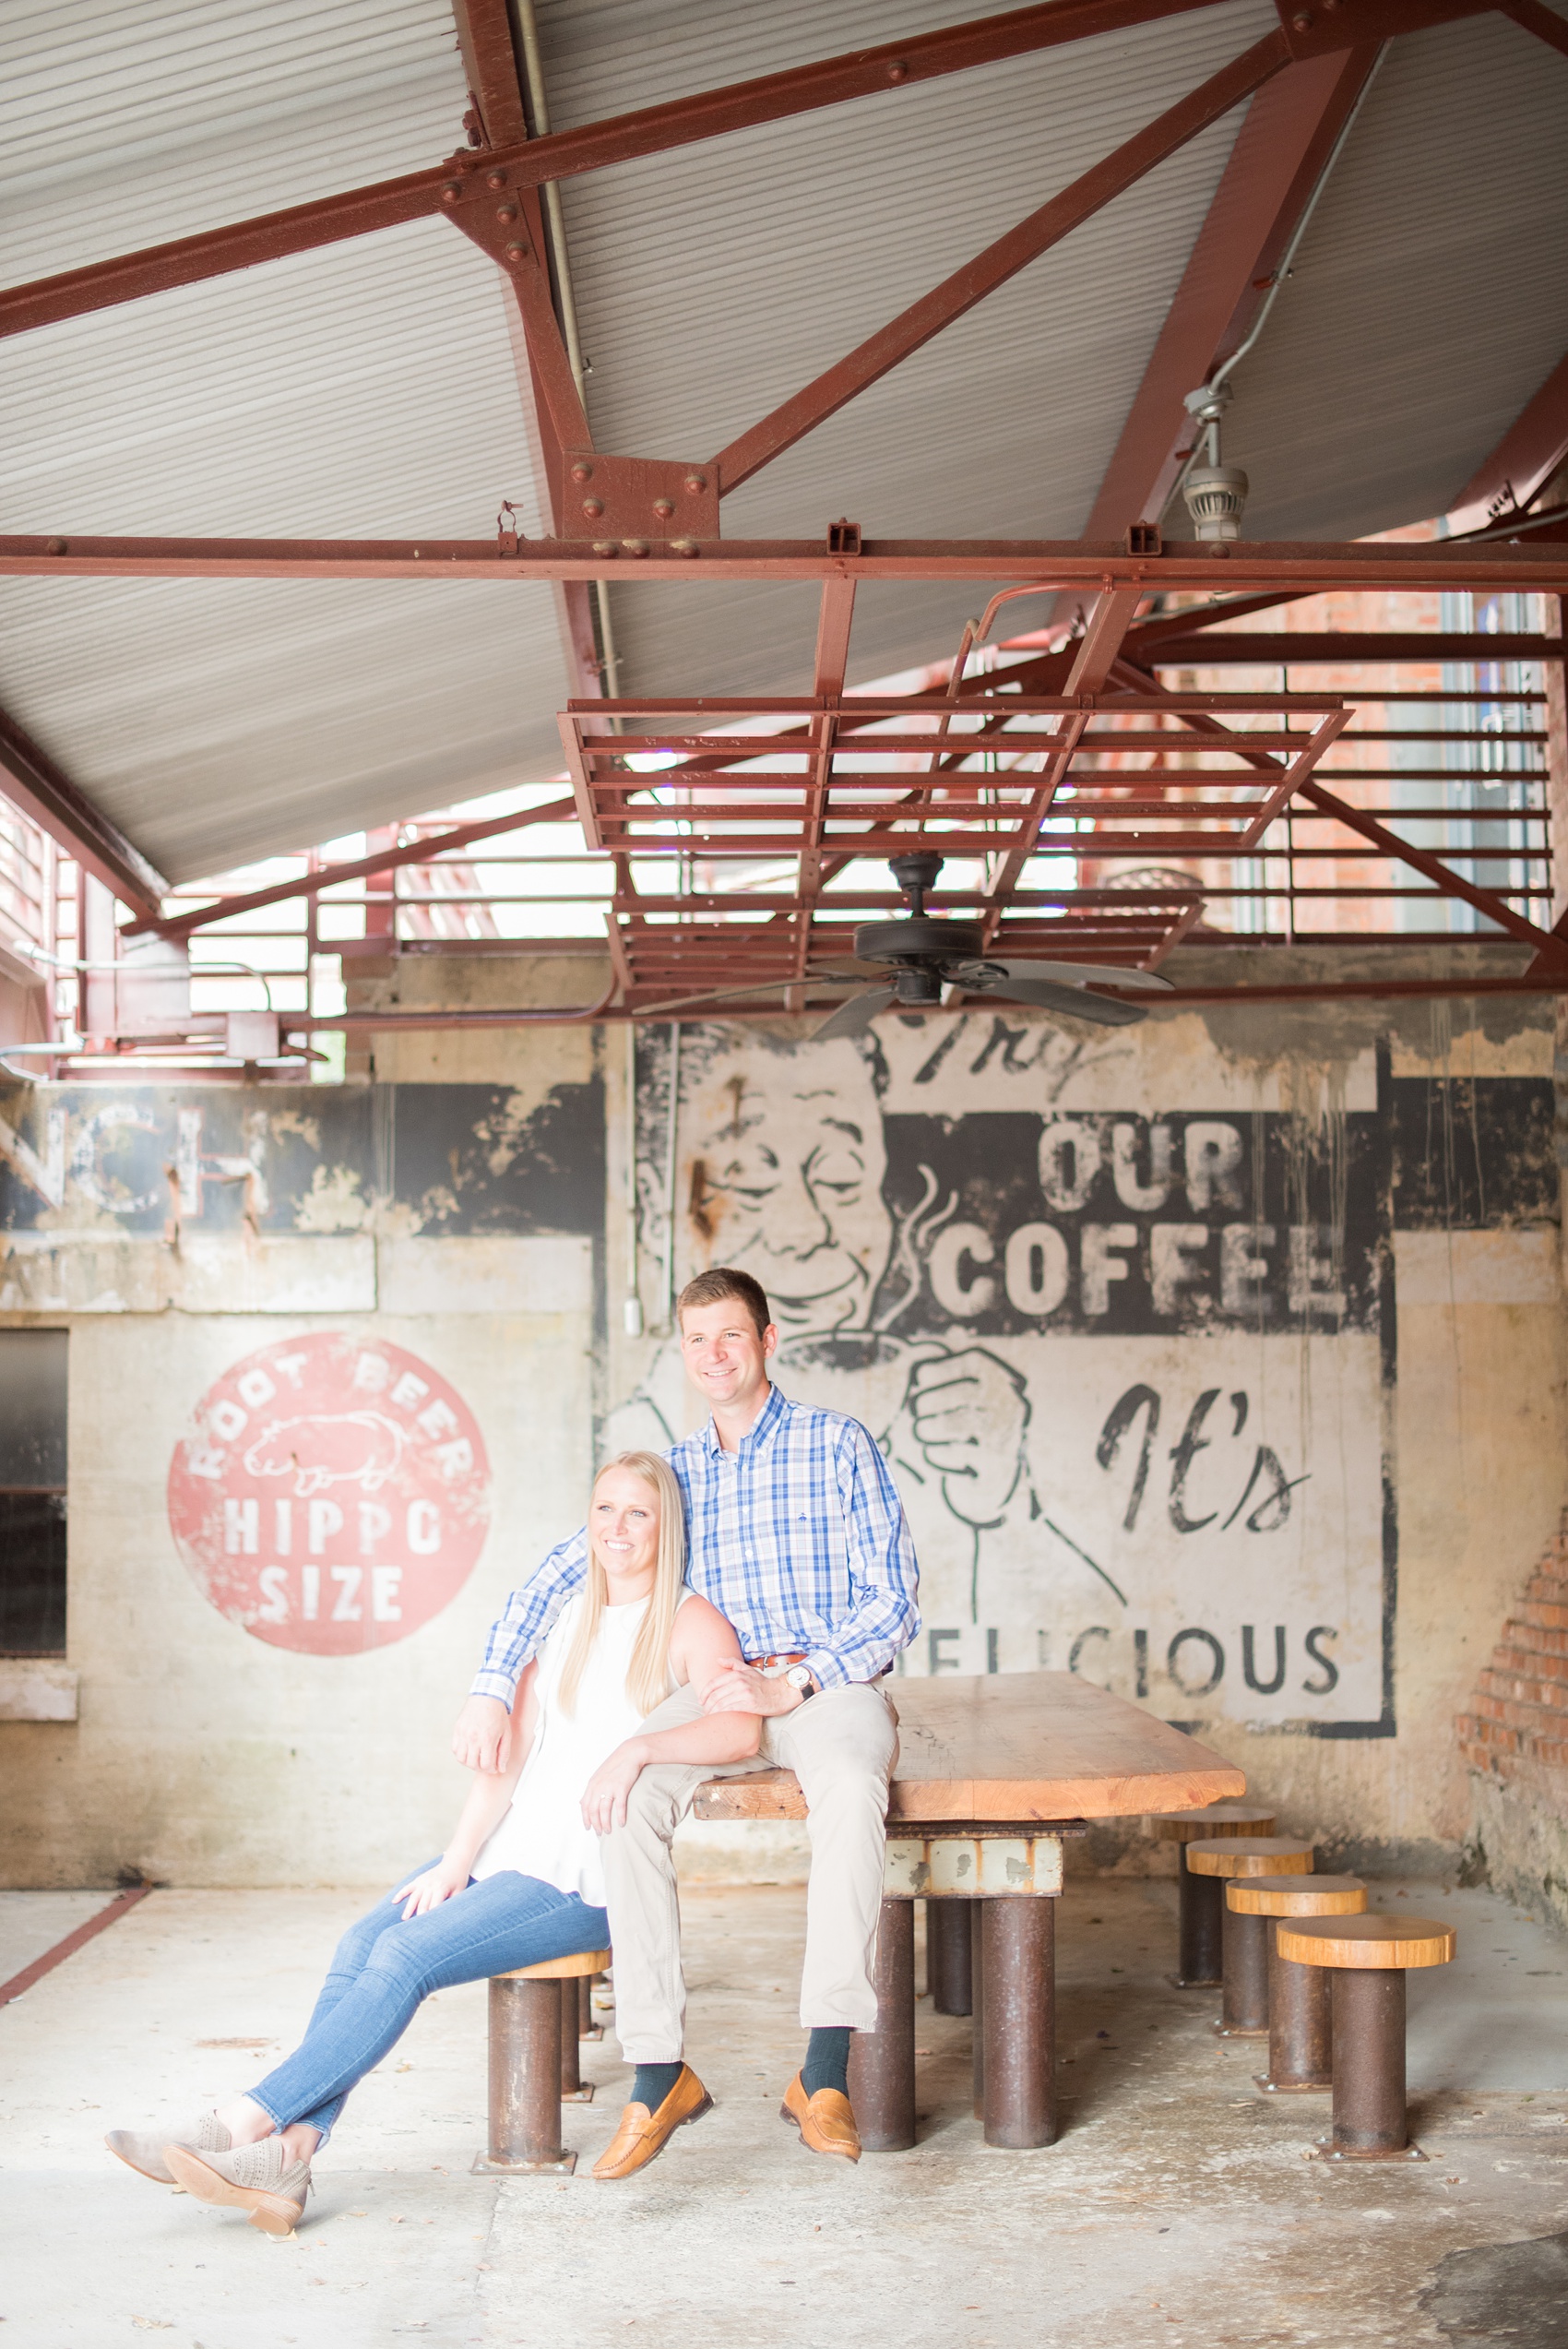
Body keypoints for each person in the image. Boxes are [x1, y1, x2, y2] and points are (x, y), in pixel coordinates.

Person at [105, 1452, 757, 2235]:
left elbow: (740, 1725)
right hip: (510, 1852)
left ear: (667, 1526)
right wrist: (457, 1860)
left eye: (638, 1514)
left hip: (589, 1878)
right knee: (364, 1941)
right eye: (605, 1509)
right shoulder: (567, 1611)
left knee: (405, 1959)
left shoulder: (689, 1620)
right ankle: (290, 2160)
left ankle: (234, 2127)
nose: (617, 1529)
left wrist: (641, 1751)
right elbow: (511, 1753)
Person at [454, 1265, 920, 2178]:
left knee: (854, 1785)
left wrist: (801, 1681)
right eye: (696, 1338)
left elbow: (893, 1597)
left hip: (823, 1681)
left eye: (730, 1335)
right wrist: (487, 1679)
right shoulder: (677, 1471)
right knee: (624, 1792)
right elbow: (560, 1569)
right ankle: (657, 2067)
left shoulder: (836, 1444)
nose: (713, 1354)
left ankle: (823, 2071)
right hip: (714, 1685)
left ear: (767, 1340)